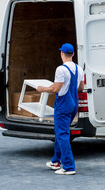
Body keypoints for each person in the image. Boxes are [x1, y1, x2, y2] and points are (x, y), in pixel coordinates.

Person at [37, 43, 84, 175]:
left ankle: (68, 167)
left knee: (62, 134)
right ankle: (56, 161)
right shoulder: (79, 69)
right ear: (73, 54)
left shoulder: (61, 69)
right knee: (61, 133)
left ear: (61, 53)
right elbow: (80, 88)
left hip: (63, 105)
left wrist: (42, 89)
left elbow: (55, 89)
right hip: (74, 103)